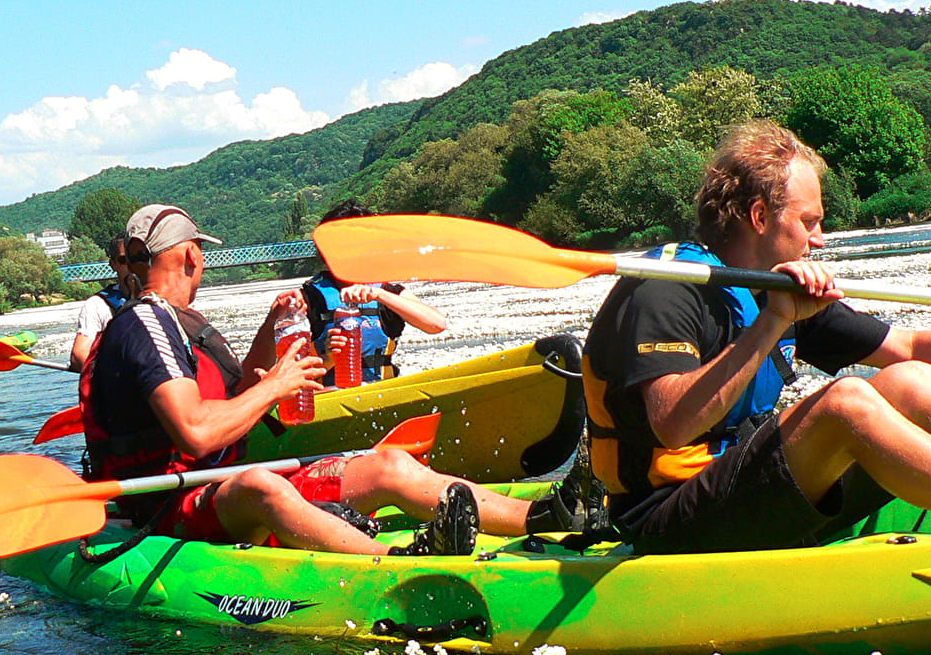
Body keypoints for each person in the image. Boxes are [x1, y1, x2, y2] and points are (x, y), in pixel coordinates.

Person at [581, 119, 931, 556]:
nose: (819, 238)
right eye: (810, 221)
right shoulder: (665, 290)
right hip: (668, 521)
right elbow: (672, 425)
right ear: (759, 215)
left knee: (907, 380)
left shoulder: (780, 285)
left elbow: (908, 350)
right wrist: (773, 322)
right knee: (845, 401)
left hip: (746, 490)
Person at [83, 204, 579, 556]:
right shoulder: (145, 324)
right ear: (191, 255)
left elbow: (232, 396)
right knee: (261, 484)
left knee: (388, 464)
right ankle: (399, 564)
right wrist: (275, 386)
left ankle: (546, 516)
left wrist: (271, 335)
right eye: (201, 255)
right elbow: (196, 432)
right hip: (169, 503)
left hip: (216, 483)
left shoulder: (184, 323)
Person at [302, 200, 447, 386]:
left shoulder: (388, 293)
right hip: (329, 394)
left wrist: (379, 295)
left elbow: (437, 325)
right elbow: (289, 373)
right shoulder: (307, 299)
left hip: (380, 391)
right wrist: (329, 359)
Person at [69, 234, 141, 370]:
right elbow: (79, 355)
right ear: (113, 265)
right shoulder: (97, 305)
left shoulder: (166, 298)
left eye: (138, 258)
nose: (132, 265)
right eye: (124, 260)